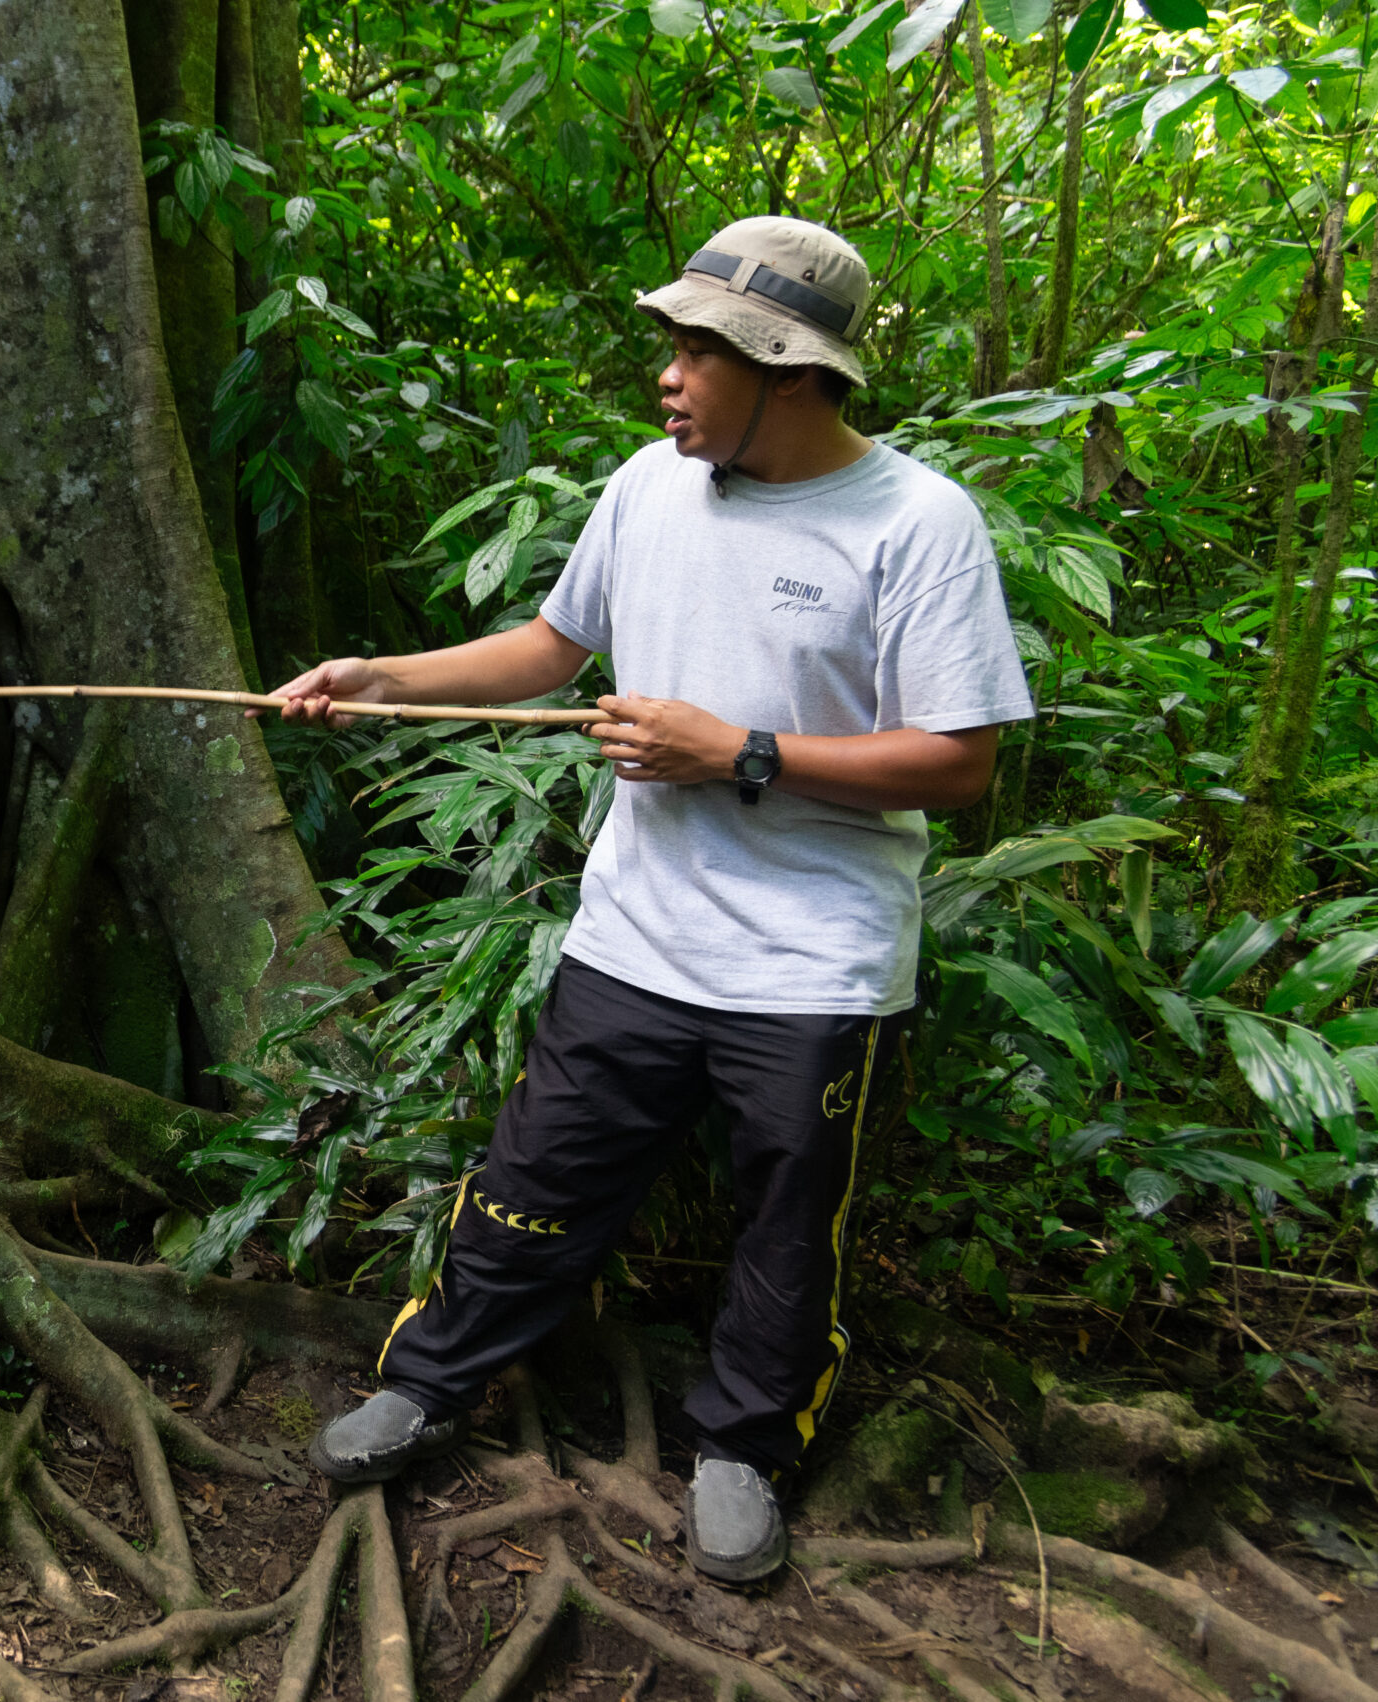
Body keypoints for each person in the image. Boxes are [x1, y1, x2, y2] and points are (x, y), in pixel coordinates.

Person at [267, 216, 1034, 1585]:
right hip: (637, 936)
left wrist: (734, 750)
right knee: (528, 1185)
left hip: (814, 964)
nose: (668, 376)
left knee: (790, 1230)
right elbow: (554, 645)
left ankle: (743, 1446)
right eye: (671, 344)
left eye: (699, 352)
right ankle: (432, 1384)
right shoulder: (649, 485)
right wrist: (379, 677)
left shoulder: (916, 524)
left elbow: (960, 759)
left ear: (790, 373)